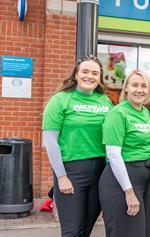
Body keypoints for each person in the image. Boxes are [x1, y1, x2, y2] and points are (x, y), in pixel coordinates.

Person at [42, 55, 113, 237]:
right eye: (85, 71)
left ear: (99, 78)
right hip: (71, 171)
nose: (90, 76)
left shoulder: (105, 102)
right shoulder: (60, 100)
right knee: (72, 232)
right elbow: (50, 141)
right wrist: (61, 176)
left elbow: (114, 138)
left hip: (101, 170)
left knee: (86, 230)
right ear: (76, 74)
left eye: (95, 73)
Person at [99, 70, 150, 237]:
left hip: (143, 181)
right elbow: (114, 155)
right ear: (126, 89)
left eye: (144, 86)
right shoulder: (117, 114)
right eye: (135, 85)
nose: (140, 90)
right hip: (122, 182)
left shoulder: (144, 112)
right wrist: (128, 192)